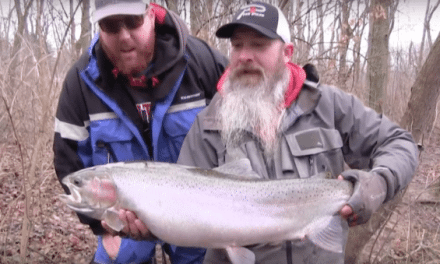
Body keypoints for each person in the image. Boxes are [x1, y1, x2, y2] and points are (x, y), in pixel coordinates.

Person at [104, 1, 418, 263]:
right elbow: (184, 219)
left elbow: (400, 143)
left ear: (288, 52)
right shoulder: (208, 125)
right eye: (238, 45)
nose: (244, 56)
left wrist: (376, 183)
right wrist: (148, 224)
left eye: (259, 45)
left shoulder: (330, 105)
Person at [53, 0, 228, 263]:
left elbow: (249, 131)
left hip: (200, 225)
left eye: (133, 21)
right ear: (99, 27)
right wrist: (101, 226)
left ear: (151, 13)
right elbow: (69, 162)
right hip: (122, 232)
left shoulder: (202, 63)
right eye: (111, 26)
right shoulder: (81, 81)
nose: (124, 36)